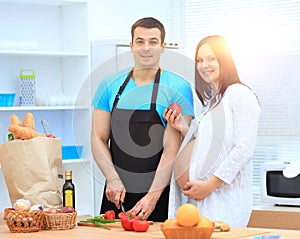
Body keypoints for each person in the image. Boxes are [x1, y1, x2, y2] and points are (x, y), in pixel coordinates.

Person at [91, 17, 194, 222]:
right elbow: (97, 138)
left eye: (153, 41)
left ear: (163, 47)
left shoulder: (178, 87)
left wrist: (152, 198)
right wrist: (112, 178)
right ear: (131, 46)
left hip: (159, 195)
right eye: (140, 41)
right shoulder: (109, 84)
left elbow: (171, 150)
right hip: (116, 192)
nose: (146, 47)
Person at [164, 35, 261, 227]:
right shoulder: (213, 102)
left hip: (224, 197)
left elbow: (243, 149)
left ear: (224, 60)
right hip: (201, 198)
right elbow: (206, 144)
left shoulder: (240, 95)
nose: (203, 65)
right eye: (199, 60)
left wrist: (209, 185)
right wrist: (183, 127)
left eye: (211, 58)